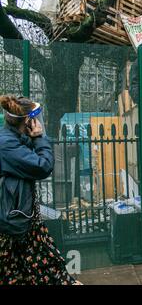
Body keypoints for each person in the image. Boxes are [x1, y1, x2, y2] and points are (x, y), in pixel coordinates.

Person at [0, 95, 81, 285]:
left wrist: (33, 138)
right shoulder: (7, 145)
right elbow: (43, 166)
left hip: (22, 218)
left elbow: (25, 151)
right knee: (23, 265)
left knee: (38, 262)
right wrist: (38, 138)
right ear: (28, 120)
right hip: (12, 220)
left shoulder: (11, 139)